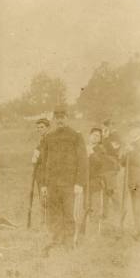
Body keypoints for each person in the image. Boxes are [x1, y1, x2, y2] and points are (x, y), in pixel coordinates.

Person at [39, 107, 88, 254]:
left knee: (68, 213)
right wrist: (43, 184)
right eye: (57, 117)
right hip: (52, 183)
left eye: (62, 116)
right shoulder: (49, 137)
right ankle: (56, 239)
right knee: (55, 213)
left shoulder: (76, 136)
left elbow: (82, 160)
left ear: (67, 118)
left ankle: (68, 242)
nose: (60, 120)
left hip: (69, 182)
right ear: (54, 119)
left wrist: (79, 182)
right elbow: (44, 161)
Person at [101, 119, 122, 219]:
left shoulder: (116, 136)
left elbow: (113, 150)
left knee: (111, 190)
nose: (107, 127)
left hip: (111, 165)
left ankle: (120, 211)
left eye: (109, 125)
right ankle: (105, 214)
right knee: (105, 190)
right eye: (105, 125)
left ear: (113, 126)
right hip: (104, 166)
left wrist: (105, 138)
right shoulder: (106, 137)